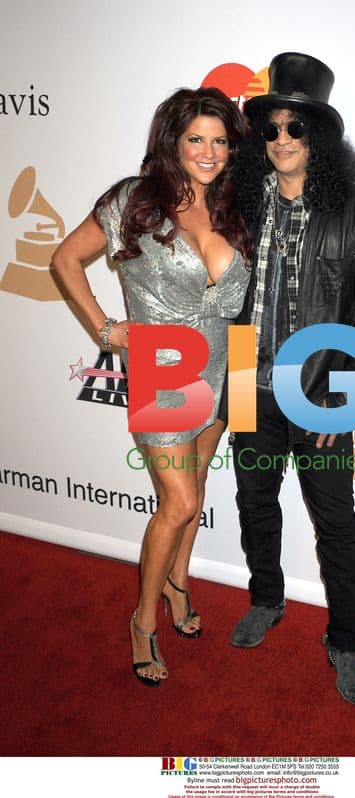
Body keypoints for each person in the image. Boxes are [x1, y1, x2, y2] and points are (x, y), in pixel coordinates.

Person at [52, 87, 251, 687]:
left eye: (219, 140)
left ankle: (180, 587)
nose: (209, 151)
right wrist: (107, 329)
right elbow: (64, 259)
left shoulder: (236, 206)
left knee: (198, 485)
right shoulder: (133, 201)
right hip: (164, 371)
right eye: (196, 139)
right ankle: (143, 621)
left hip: (225, 361)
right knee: (180, 502)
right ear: (173, 141)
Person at [230, 52, 355, 706]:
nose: (280, 141)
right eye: (270, 129)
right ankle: (266, 600)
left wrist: (344, 401)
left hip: (322, 391)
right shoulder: (242, 206)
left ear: (320, 138)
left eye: (295, 129)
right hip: (250, 379)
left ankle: (346, 641)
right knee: (253, 504)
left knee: (337, 525)